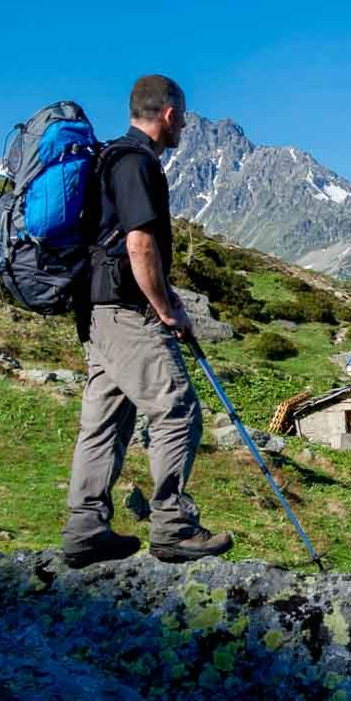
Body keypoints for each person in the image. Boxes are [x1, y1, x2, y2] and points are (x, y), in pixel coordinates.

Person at [62, 74, 233, 566]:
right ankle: (173, 527)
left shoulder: (107, 158)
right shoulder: (137, 163)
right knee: (176, 409)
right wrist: (165, 309)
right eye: (183, 120)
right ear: (170, 115)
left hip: (95, 313)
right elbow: (139, 244)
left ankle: (85, 529)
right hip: (127, 313)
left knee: (104, 421)